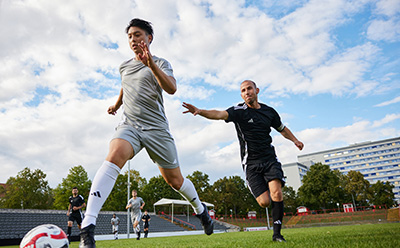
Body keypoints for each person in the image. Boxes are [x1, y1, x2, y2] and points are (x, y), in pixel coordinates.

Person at [79, 18, 213, 248]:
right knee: (113, 156)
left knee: (175, 181)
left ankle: (201, 212)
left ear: (149, 38)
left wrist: (150, 63)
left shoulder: (161, 62)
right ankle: (87, 229)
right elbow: (126, 84)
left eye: (138, 35)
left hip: (157, 129)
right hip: (130, 125)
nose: (133, 39)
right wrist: (117, 104)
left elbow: (171, 88)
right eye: (130, 36)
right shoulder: (124, 66)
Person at [182, 80, 304, 242]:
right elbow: (219, 114)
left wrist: (295, 140)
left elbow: (282, 129)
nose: (247, 92)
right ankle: (256, 189)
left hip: (269, 159)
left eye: (249, 89)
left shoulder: (269, 112)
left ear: (257, 90)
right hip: (251, 163)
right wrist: (199, 111)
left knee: (276, 192)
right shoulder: (239, 111)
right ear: (241, 94)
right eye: (243, 90)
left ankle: (277, 234)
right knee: (264, 202)